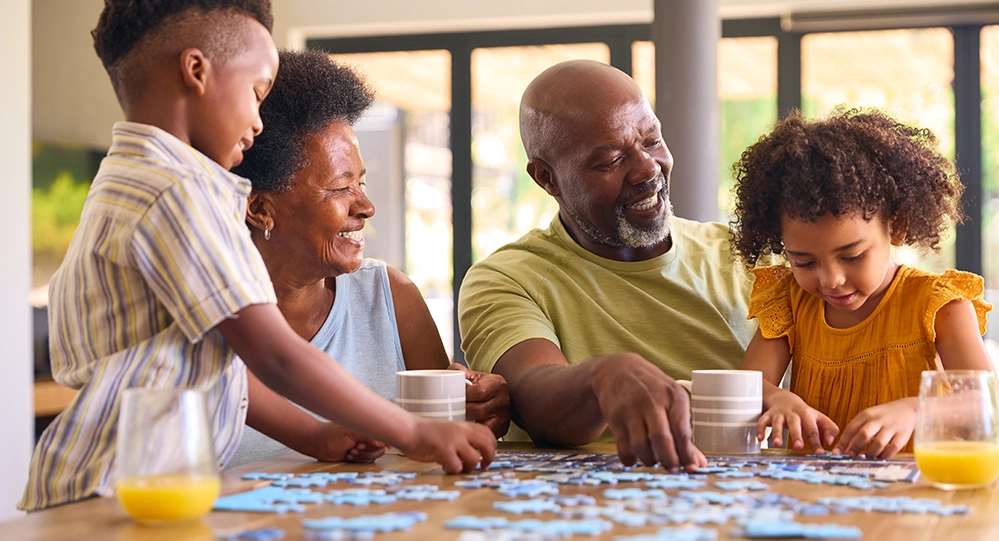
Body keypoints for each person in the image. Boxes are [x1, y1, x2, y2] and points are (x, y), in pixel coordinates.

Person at [21, 0, 494, 511]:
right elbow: (273, 355)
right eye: (257, 92)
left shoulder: (128, 183)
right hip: (113, 495)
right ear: (196, 71)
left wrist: (313, 436)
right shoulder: (178, 193)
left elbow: (225, 369)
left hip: (132, 486)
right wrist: (414, 431)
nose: (257, 120)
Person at [458, 59, 759, 471]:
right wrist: (603, 377)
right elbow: (532, 396)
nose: (648, 168)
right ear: (547, 179)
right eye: (612, 159)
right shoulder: (508, 278)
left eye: (652, 140)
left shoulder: (746, 255)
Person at [225, 50, 511, 467]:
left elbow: (445, 421)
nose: (366, 206)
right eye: (341, 188)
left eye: (361, 182)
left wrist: (480, 401)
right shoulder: (206, 308)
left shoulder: (390, 296)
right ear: (260, 209)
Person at [731, 108, 993, 459]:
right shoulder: (788, 302)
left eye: (852, 256)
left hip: (915, 495)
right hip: (809, 496)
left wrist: (915, 410)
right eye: (804, 262)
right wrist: (779, 398)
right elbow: (746, 387)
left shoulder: (940, 304)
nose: (831, 280)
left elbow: (984, 400)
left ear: (896, 227)